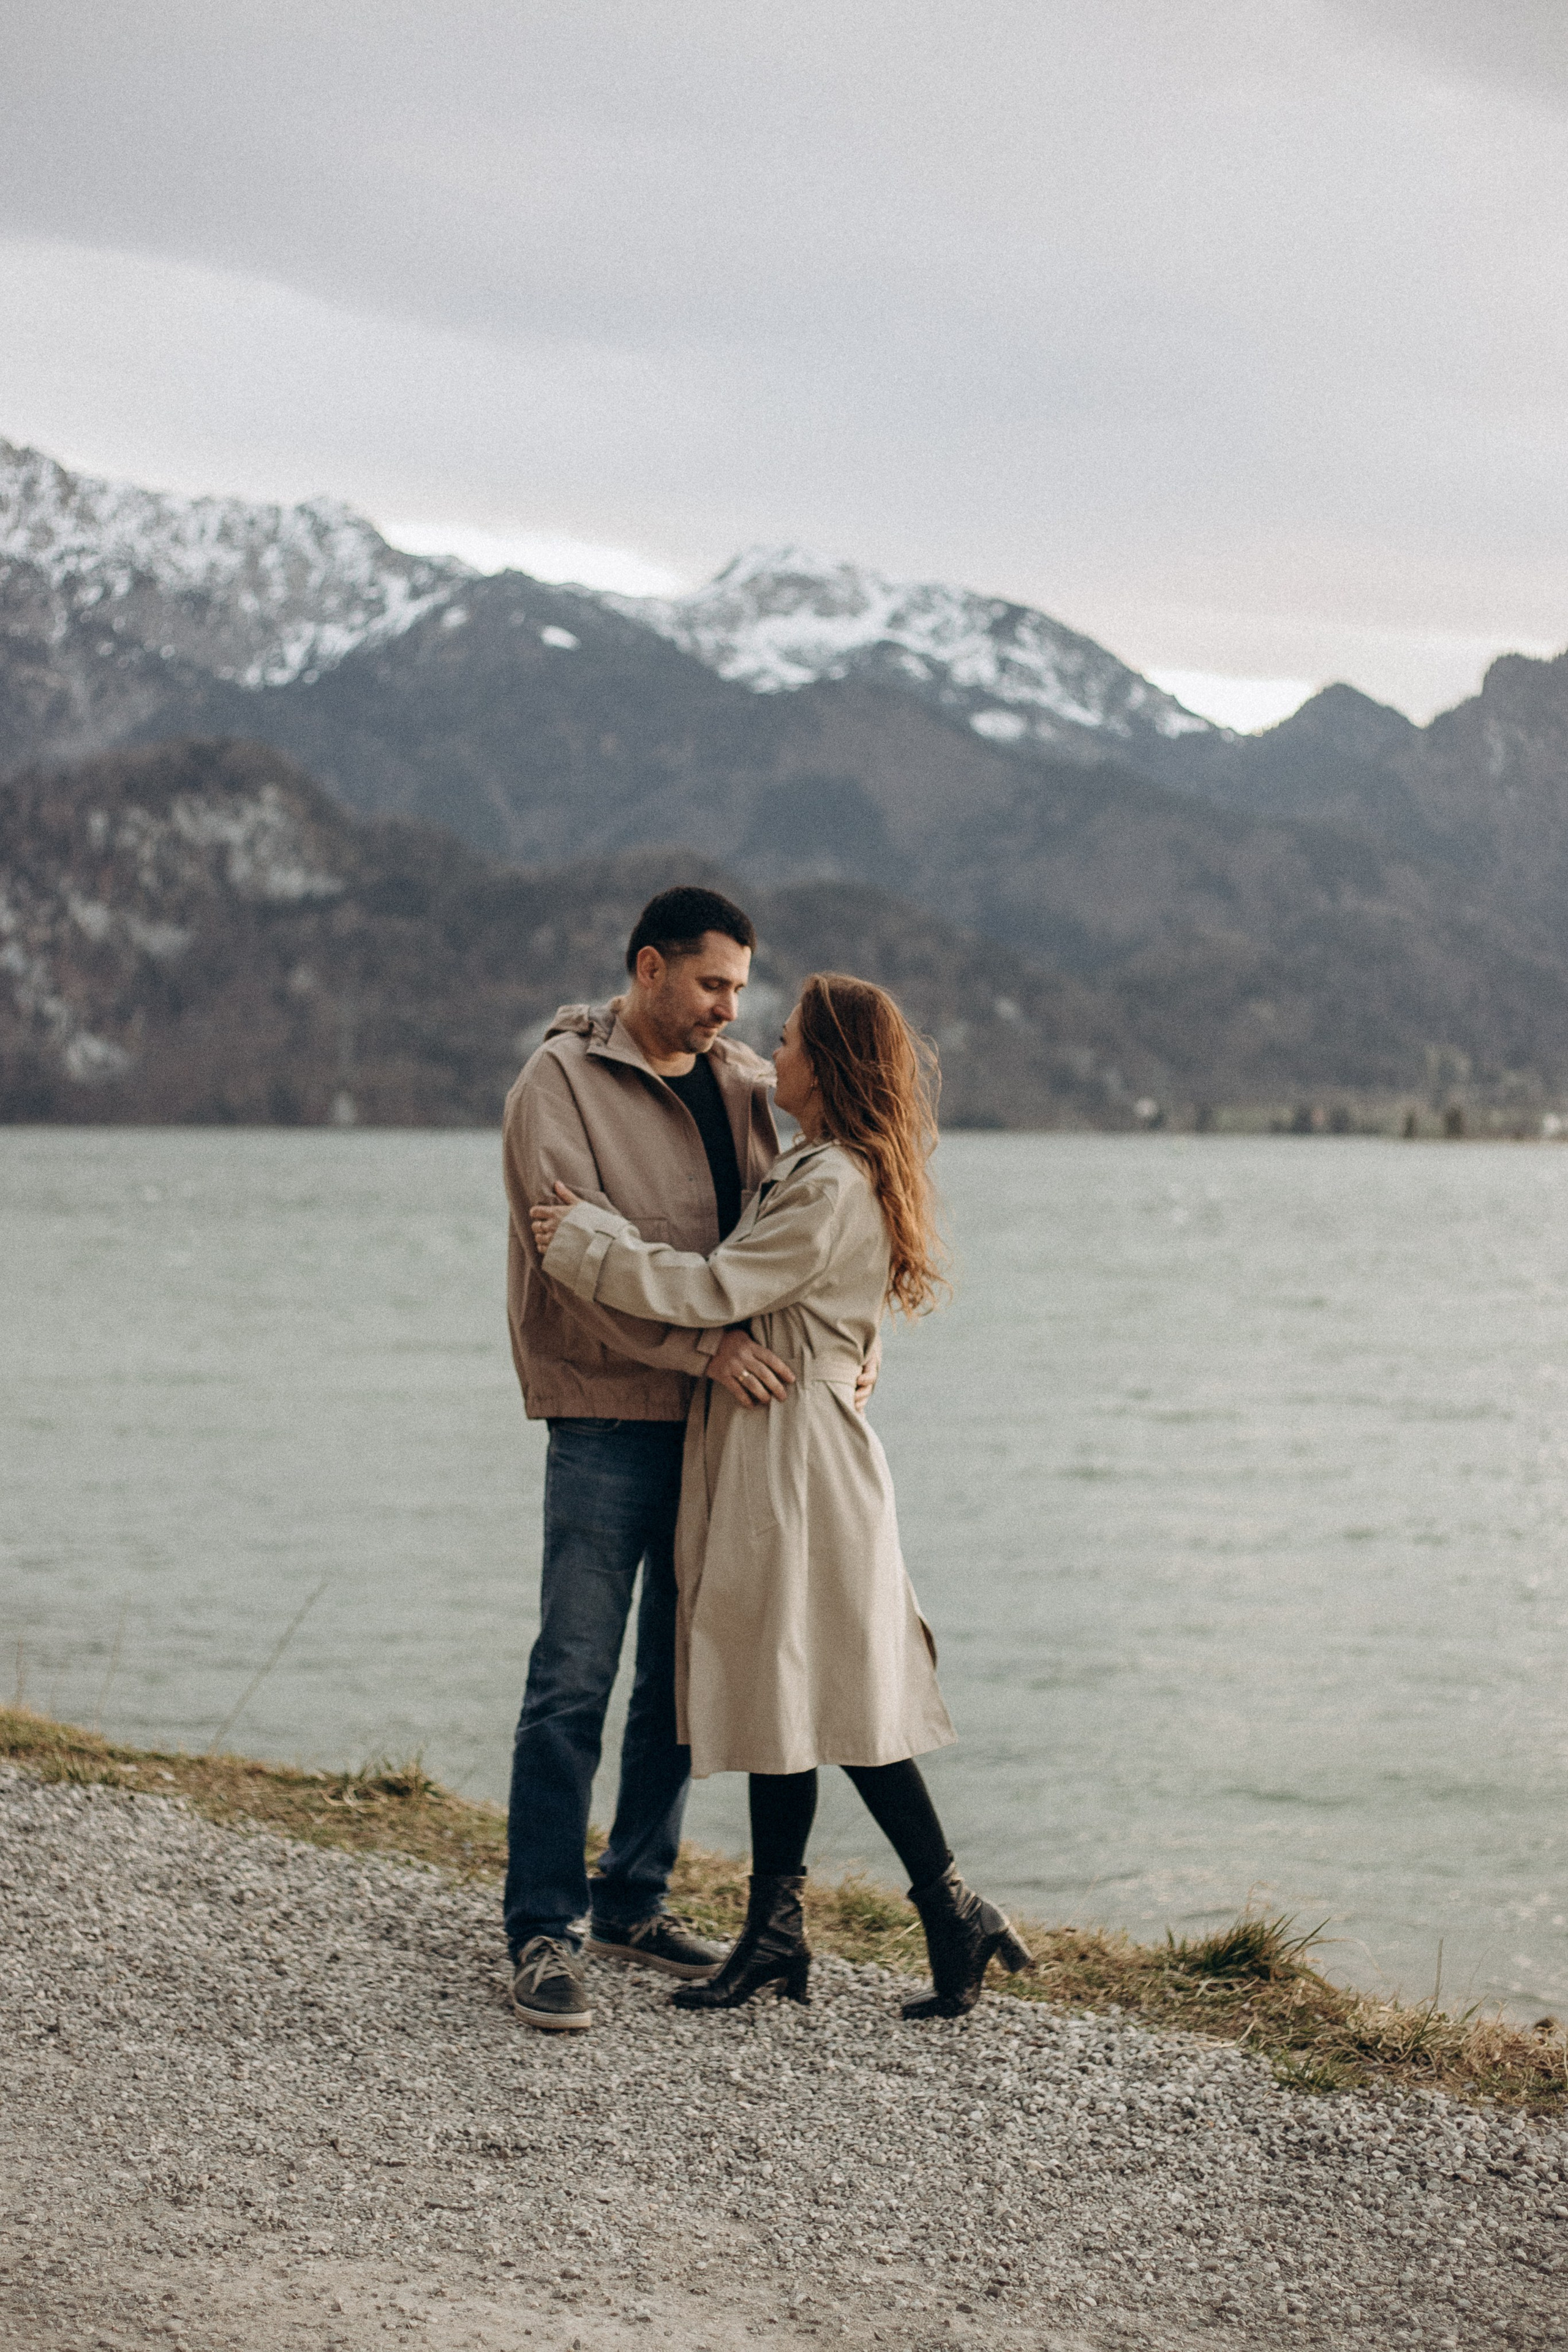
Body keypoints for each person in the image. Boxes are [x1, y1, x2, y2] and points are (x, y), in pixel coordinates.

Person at [531, 973, 1031, 2021]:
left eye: (793, 1040)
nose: (774, 1052)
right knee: (790, 1690)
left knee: (816, 1693)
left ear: (833, 1066)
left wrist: (584, 1242)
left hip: (796, 1455)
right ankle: (798, 1931)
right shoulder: (825, 1169)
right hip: (780, 1442)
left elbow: (714, 1288)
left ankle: (934, 1908)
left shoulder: (829, 1182)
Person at [501, 884, 810, 2033]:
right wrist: (708, 1349)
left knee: (679, 1678)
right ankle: (541, 1928)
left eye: (741, 987)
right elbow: (578, 1267)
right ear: (648, 968)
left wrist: (847, 1354)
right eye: (712, 983)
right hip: (603, 1412)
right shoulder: (557, 1086)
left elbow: (792, 1244)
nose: (731, 1008)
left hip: (720, 1420)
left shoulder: (742, 1090)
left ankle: (632, 1896)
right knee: (573, 1675)